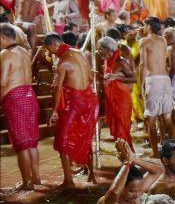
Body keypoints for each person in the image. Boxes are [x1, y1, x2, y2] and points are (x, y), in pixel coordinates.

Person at [44, 33, 99, 188]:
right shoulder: (79, 53)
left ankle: (68, 181)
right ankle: (92, 176)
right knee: (86, 137)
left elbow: (57, 88)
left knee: (63, 140)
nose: (50, 53)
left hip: (75, 103)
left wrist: (54, 110)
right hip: (89, 100)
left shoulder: (63, 63)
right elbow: (89, 77)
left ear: (55, 45)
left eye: (50, 50)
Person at [0, 23, 40, 189]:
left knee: (21, 143)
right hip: (30, 96)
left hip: (14, 98)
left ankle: (27, 182)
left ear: (2, 37)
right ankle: (36, 178)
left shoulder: (5, 54)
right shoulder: (25, 52)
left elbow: (2, 81)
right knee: (31, 141)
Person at [140, 17, 175, 157]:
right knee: (167, 119)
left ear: (149, 26)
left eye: (144, 25)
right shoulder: (162, 40)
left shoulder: (144, 41)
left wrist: (141, 85)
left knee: (151, 120)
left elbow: (143, 65)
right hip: (165, 80)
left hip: (153, 80)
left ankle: (155, 153)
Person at [98, 37, 135, 149]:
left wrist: (116, 77)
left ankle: (130, 160)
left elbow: (133, 79)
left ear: (108, 49)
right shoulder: (107, 61)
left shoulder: (121, 62)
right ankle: (125, 158)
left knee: (122, 131)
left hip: (122, 101)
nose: (99, 51)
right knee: (116, 132)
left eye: (100, 49)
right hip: (112, 100)